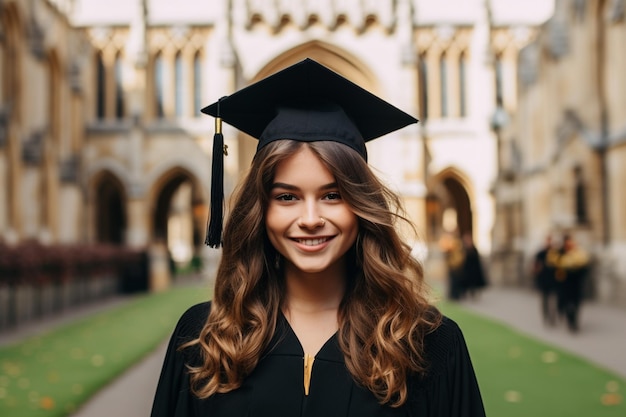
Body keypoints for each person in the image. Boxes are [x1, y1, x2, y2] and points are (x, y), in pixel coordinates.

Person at [150, 58, 485, 417]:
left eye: (332, 195)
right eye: (287, 197)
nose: (310, 219)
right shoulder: (206, 338)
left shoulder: (426, 343)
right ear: (260, 210)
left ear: (361, 205)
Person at [547, 233, 590, 333]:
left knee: (576, 303)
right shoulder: (558, 254)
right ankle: (571, 321)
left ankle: (574, 321)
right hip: (564, 283)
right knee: (567, 303)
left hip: (575, 283)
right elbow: (553, 267)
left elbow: (584, 267)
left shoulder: (578, 254)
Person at [532, 235, 558, 326]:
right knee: (544, 300)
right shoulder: (540, 254)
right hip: (543, 281)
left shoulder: (555, 253)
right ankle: (546, 316)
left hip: (553, 281)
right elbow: (535, 267)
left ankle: (552, 318)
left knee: (553, 300)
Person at [460, 233, 488, 300]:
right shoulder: (464, 250)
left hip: (474, 271)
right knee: (466, 283)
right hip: (467, 270)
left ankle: (474, 294)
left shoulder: (474, 249)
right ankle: (465, 294)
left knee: (474, 284)